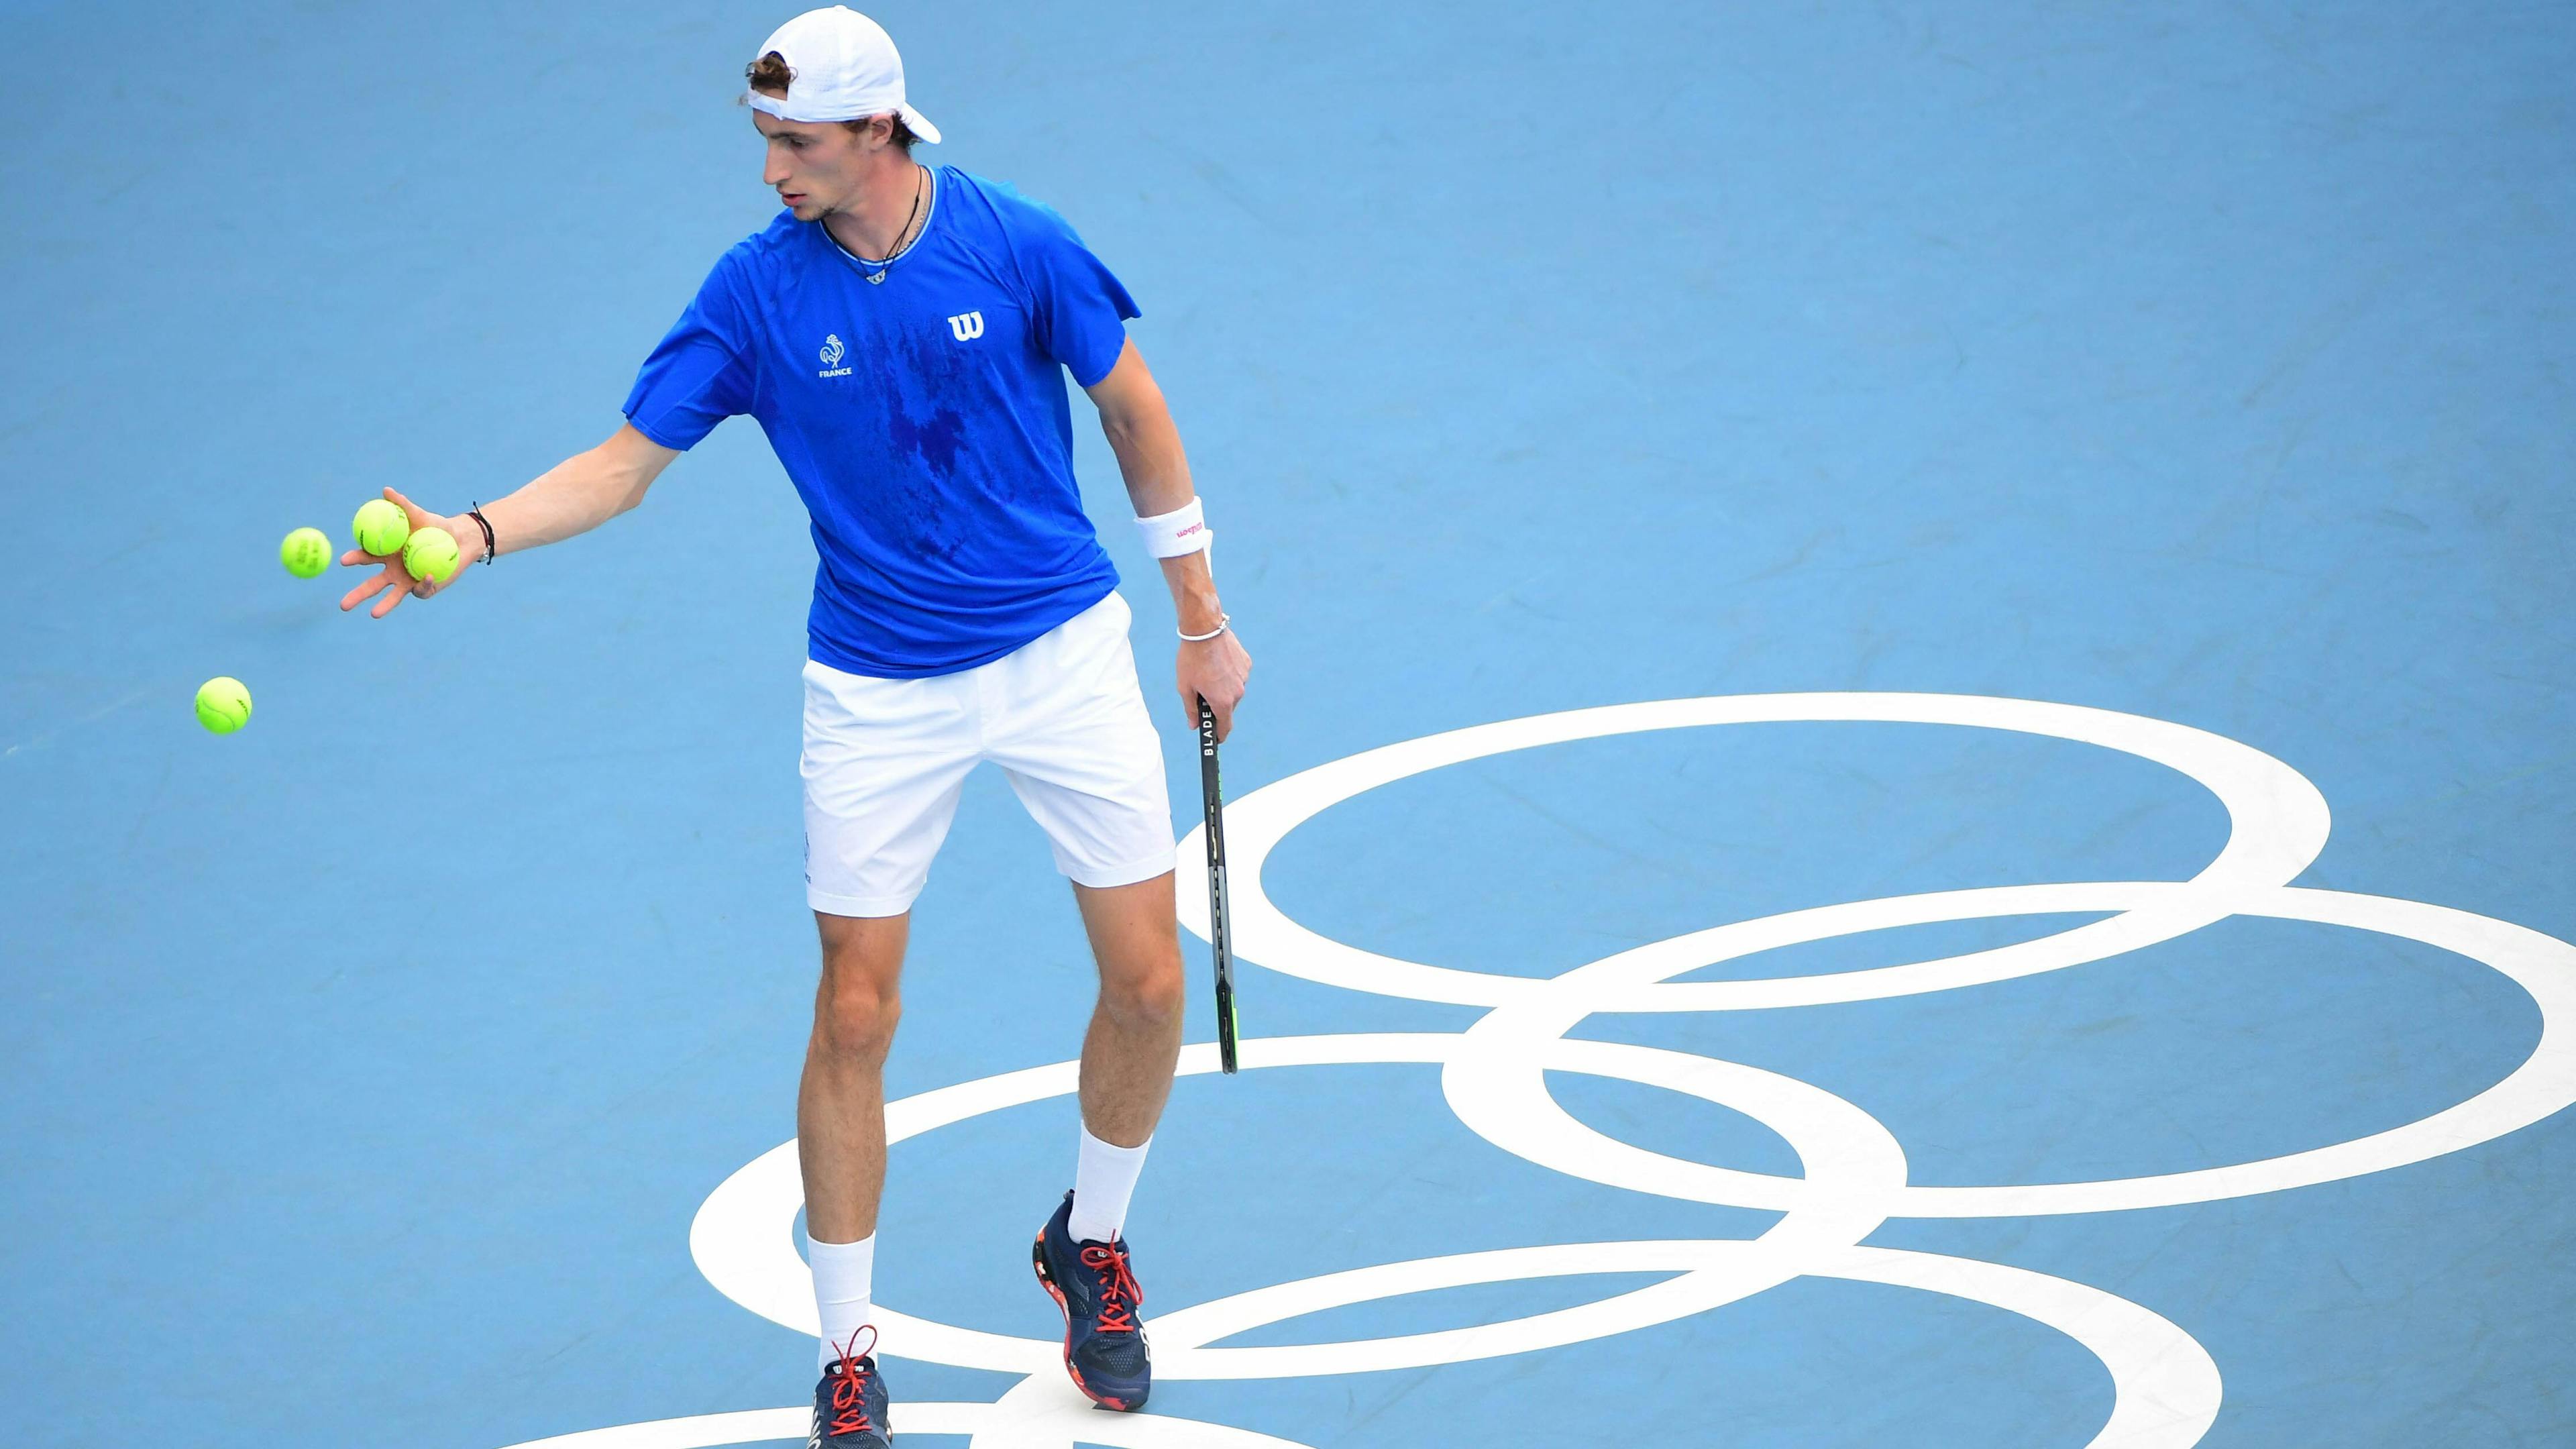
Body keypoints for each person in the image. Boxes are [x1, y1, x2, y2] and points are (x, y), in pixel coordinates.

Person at [336, 7, 1250, 1444]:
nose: (771, 170)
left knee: (1146, 985)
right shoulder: (754, 294)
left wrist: (1200, 620)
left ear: (881, 131)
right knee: (855, 1010)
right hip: (879, 689)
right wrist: (478, 531)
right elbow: (626, 466)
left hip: (1064, 656)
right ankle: (848, 1350)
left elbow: (1134, 411)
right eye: (763, 140)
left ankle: (1093, 1245)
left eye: (797, 143)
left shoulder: (1016, 242)